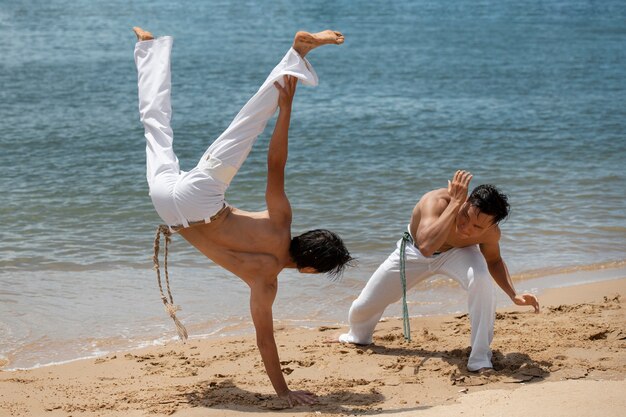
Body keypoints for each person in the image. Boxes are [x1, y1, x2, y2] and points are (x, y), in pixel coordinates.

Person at [133, 27, 352, 406]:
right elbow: (264, 340)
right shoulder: (264, 282)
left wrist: (286, 110)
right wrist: (284, 393)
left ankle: (295, 58)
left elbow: (275, 164)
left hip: (202, 198)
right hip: (169, 208)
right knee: (155, 130)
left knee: (245, 126)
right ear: (310, 270)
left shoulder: (280, 223)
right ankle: (147, 49)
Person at [339, 170, 539, 372]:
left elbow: (494, 261)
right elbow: (426, 247)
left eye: (477, 226)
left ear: (491, 226)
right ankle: (358, 336)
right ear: (466, 202)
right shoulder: (436, 201)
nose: (467, 227)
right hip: (414, 251)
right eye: (464, 216)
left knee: (480, 278)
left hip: (458, 253)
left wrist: (514, 295)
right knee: (363, 306)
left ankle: (480, 358)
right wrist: (454, 205)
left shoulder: (491, 233)